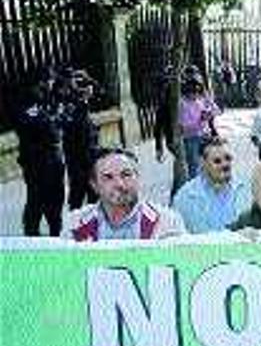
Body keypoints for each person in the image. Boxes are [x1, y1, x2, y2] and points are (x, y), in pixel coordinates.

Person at [64, 148, 186, 241]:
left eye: (126, 175)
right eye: (108, 177)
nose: (119, 184)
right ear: (94, 185)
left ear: (138, 177)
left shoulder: (168, 222)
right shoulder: (74, 224)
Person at [16, 70, 66, 236]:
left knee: (56, 199)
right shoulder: (27, 102)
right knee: (37, 200)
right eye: (49, 80)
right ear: (40, 82)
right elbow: (50, 129)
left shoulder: (48, 99)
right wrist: (54, 119)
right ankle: (32, 236)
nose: (52, 84)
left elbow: (59, 124)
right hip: (37, 162)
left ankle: (54, 233)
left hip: (52, 158)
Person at [172, 136, 251, 233]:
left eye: (228, 158)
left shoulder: (247, 189)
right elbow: (176, 235)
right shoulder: (184, 197)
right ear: (203, 163)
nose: (225, 165)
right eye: (217, 161)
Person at [60, 70, 100, 210]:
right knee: (78, 194)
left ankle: (91, 225)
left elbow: (102, 94)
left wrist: (89, 78)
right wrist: (82, 100)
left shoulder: (77, 95)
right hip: (77, 155)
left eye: (73, 78)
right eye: (69, 79)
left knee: (94, 194)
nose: (73, 82)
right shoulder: (62, 99)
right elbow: (73, 122)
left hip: (89, 152)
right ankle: (75, 224)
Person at [179, 72, 219, 179]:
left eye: (198, 91)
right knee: (194, 165)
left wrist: (208, 101)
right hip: (191, 138)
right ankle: (195, 187)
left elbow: (216, 110)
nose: (196, 94)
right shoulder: (183, 104)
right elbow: (184, 125)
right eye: (194, 92)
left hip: (204, 136)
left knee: (209, 162)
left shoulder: (200, 101)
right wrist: (200, 121)